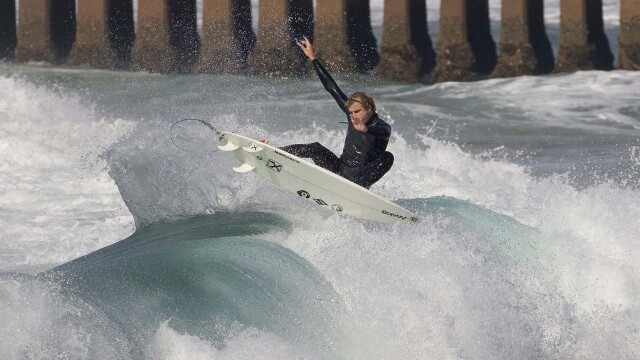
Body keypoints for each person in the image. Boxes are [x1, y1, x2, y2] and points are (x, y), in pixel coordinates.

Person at [277, 37, 394, 189]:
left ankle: (359, 188)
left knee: (388, 157)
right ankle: (276, 152)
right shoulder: (352, 116)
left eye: (357, 111)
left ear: (369, 108)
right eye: (351, 112)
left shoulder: (381, 127)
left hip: (361, 179)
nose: (353, 115)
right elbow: (331, 88)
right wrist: (313, 58)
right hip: (340, 171)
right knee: (315, 148)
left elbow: (383, 132)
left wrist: (366, 129)